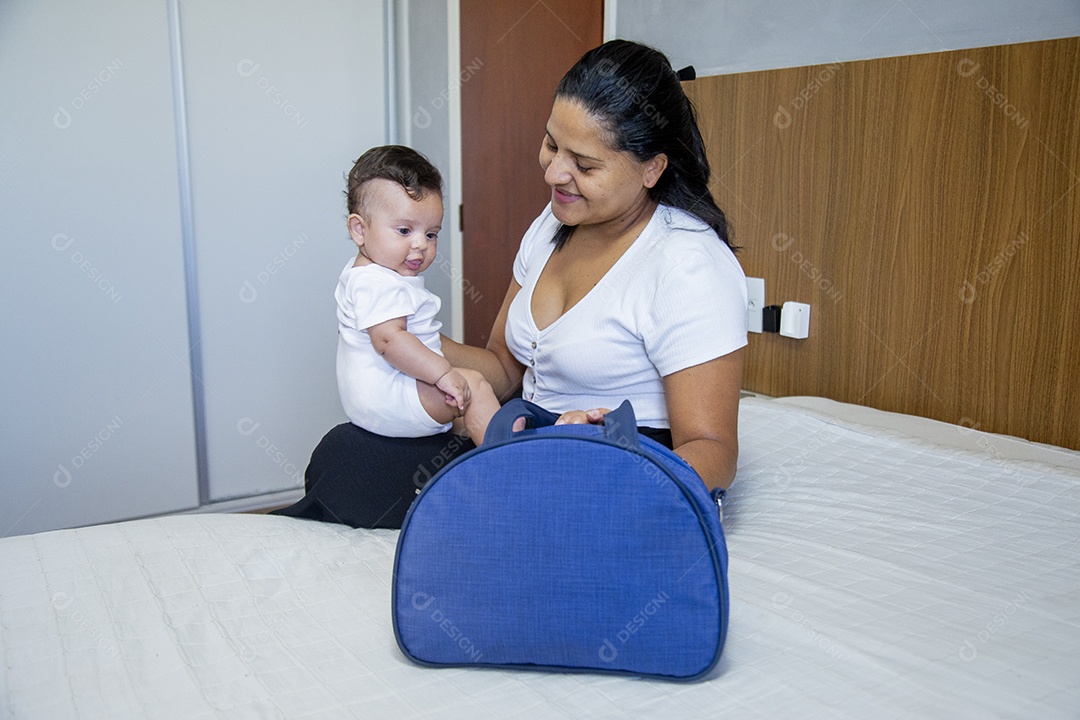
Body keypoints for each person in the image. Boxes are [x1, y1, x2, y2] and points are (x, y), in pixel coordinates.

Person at [275, 40, 746, 529]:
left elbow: (713, 449)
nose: (553, 172)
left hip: (610, 457)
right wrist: (395, 333)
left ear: (653, 168)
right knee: (345, 453)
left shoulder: (687, 262)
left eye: (584, 165)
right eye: (551, 144)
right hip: (528, 436)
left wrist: (627, 482)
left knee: (384, 479)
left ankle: (530, 507)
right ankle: (513, 494)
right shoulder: (552, 225)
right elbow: (503, 368)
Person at [334, 145, 499, 448]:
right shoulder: (374, 281)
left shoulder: (370, 272)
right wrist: (443, 373)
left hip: (379, 397)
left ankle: (468, 450)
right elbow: (389, 340)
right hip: (389, 395)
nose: (420, 245)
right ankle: (508, 465)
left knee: (461, 402)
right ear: (359, 229)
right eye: (404, 230)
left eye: (431, 234)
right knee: (473, 386)